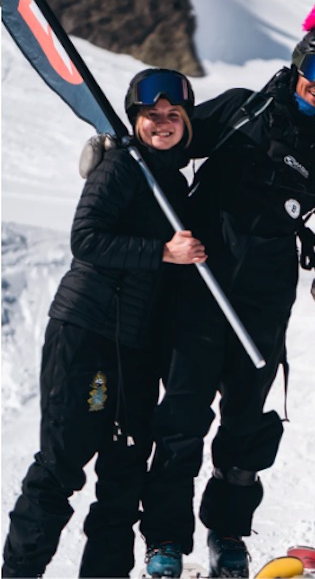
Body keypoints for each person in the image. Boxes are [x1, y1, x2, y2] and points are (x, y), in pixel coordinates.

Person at [140, 4, 315, 578]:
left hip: (265, 297)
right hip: (200, 283)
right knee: (183, 418)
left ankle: (228, 536)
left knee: (245, 425)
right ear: (297, 64)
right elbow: (174, 138)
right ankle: (165, 541)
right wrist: (121, 158)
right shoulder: (245, 108)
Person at [2, 70, 204, 578]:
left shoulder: (174, 184)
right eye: (152, 115)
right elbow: (86, 239)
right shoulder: (120, 167)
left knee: (125, 473)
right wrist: (163, 252)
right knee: (62, 463)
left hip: (134, 348)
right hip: (89, 335)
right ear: (135, 120)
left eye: (173, 115)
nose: (162, 123)